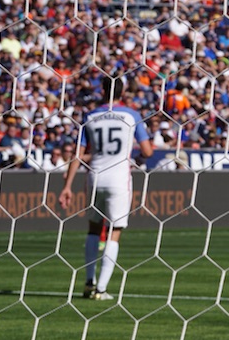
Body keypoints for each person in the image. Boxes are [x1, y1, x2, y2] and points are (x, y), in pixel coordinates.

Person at [60, 76, 153, 301]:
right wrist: (138, 158)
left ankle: (88, 282)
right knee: (115, 231)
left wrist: (67, 186)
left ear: (102, 90)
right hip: (119, 179)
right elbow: (148, 151)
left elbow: (78, 155)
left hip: (95, 177)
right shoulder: (132, 115)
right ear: (123, 92)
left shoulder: (90, 116)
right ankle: (101, 289)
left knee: (94, 228)